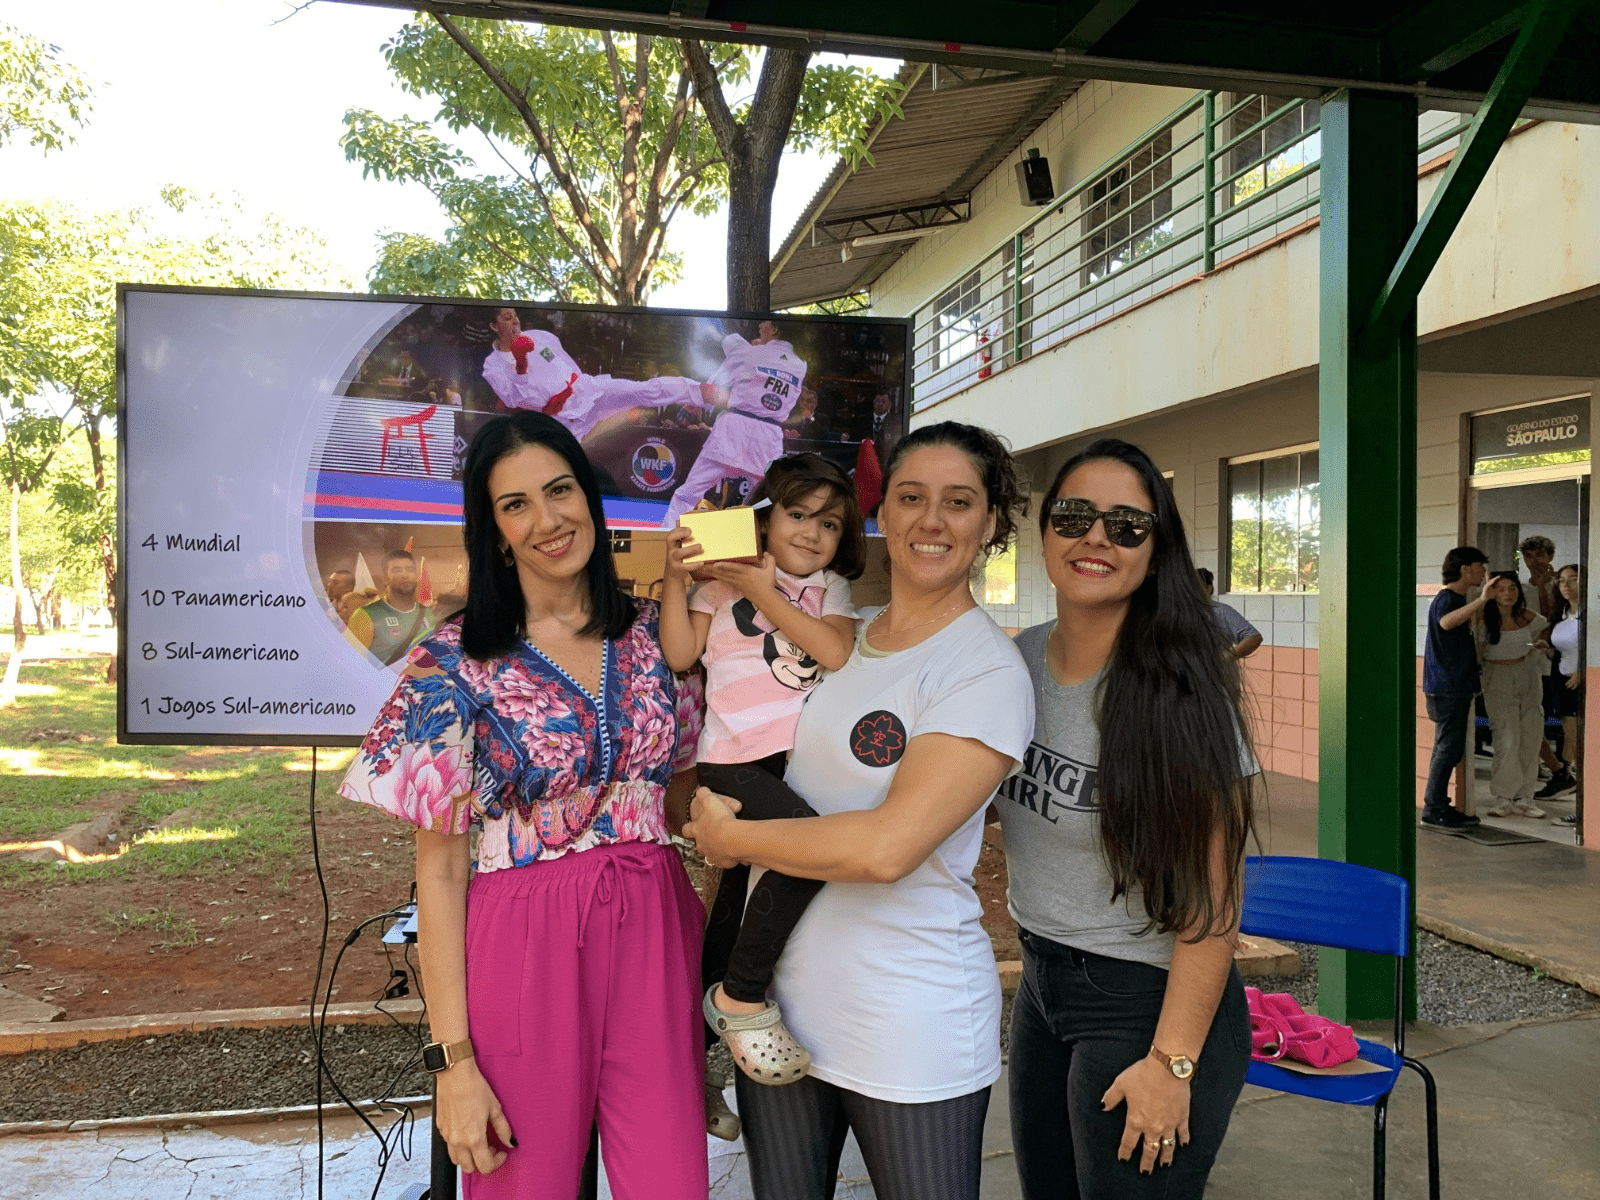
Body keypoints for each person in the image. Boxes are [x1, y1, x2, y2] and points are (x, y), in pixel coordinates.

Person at [339, 411, 707, 1199]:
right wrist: (453, 1064)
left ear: (590, 498)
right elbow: (437, 873)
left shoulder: (654, 636)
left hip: (656, 926)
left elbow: (678, 787)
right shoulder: (452, 663)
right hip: (524, 940)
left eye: (560, 490)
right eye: (516, 506)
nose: (548, 520)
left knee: (671, 1183)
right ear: (494, 530)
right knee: (526, 1185)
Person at [685, 421, 1035, 1200]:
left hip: (905, 1018)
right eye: (911, 497)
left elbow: (885, 848)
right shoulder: (845, 634)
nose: (931, 520)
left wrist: (734, 835)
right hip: (775, 1009)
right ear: (885, 514)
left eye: (959, 501)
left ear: (990, 524)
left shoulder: (982, 670)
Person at [999, 437, 1256, 1199]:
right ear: (1044, 532)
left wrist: (1175, 1062)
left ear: (1157, 547)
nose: (1097, 539)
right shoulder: (1017, 661)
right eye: (1075, 516)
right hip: (1042, 982)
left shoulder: (1181, 686)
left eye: (1127, 525)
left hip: (1145, 998)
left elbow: (1213, 902)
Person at [660, 455, 865, 1127]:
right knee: (810, 856)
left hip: (794, 767)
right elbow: (679, 652)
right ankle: (743, 998)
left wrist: (767, 589)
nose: (810, 532)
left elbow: (833, 652)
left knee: (730, 915)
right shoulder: (718, 587)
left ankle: (689, 1072)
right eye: (797, 513)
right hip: (733, 764)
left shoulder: (831, 590)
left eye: (828, 522)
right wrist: (675, 576)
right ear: (767, 517)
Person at [662, 321, 809, 527]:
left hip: (734, 429)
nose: (759, 326)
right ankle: (763, 546)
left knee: (690, 492)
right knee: (767, 499)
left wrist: (754, 347)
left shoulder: (746, 352)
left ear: (774, 329)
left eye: (764, 325)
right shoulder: (801, 366)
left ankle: (668, 535)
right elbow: (775, 361)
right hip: (768, 435)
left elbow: (729, 341)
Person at [481, 307, 699, 443]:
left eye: (516, 316)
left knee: (643, 390)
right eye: (508, 318)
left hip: (587, 392)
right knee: (565, 472)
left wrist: (577, 387)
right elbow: (514, 400)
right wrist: (521, 365)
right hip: (561, 420)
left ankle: (697, 390)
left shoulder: (540, 337)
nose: (515, 321)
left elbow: (568, 364)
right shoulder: (493, 366)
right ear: (494, 325)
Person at [1421, 547, 1490, 829]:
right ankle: (1434, 808)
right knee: (1447, 749)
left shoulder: (1454, 599)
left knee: (1450, 748)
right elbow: (1447, 622)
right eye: (1479, 567)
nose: (1483, 573)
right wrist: (1482, 600)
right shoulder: (1447, 599)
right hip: (1446, 688)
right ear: (1465, 569)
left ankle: (1437, 805)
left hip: (1453, 687)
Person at [1478, 571, 1550, 819]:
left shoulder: (1527, 616)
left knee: (1531, 735)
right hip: (1497, 676)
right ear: (1491, 591)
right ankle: (1503, 797)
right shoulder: (1483, 618)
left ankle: (1525, 797)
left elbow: (1545, 629)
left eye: (1512, 588)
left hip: (1528, 673)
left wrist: (1541, 644)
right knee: (1507, 738)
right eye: (1500, 589)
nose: (1507, 594)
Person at [346, 550, 435, 667]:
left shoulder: (429, 614)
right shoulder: (365, 616)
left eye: (410, 569)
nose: (405, 575)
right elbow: (350, 666)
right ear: (385, 578)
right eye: (396, 570)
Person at [1545, 564, 1584, 825]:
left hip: (1584, 685)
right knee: (1572, 744)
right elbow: (1562, 648)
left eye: (1573, 579)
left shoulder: (1591, 612)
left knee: (1583, 746)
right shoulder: (1561, 614)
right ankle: (1580, 799)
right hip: (1563, 683)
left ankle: (1584, 808)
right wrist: (1546, 649)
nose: (1566, 585)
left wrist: (1584, 670)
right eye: (1562, 581)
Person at [1195, 567, 1262, 658]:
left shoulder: (1220, 611)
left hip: (1212, 671)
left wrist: (1224, 660)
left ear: (1208, 589)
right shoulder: (1180, 612)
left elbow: (1254, 638)